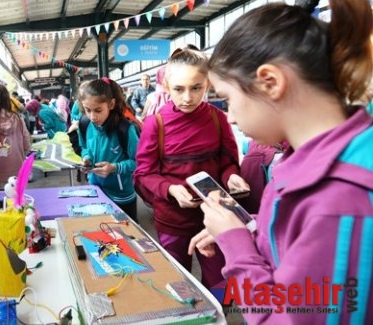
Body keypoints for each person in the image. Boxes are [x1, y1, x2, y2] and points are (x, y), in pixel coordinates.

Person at [190, 1, 373, 323]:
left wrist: (236, 246)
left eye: (228, 99)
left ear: (270, 82)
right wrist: (251, 229)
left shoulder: (339, 199)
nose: (229, 116)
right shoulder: (313, 164)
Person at [132, 46, 247, 289]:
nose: (187, 98)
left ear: (207, 84)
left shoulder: (218, 119)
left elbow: (227, 162)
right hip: (173, 220)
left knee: (219, 282)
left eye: (196, 88)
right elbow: (144, 173)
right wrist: (171, 189)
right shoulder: (156, 124)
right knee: (178, 283)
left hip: (214, 219)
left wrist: (232, 176)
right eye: (179, 89)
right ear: (165, 87)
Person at [78, 77, 140, 222]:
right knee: (99, 231)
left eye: (98, 110)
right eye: (88, 110)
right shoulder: (85, 123)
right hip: (96, 190)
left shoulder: (125, 129)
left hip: (122, 195)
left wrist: (114, 168)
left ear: (111, 104)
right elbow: (84, 147)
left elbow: (139, 162)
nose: (92, 117)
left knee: (126, 236)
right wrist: (86, 158)